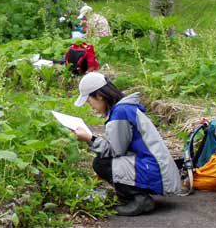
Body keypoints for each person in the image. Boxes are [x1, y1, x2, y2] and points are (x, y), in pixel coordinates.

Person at [71, 72, 181, 216]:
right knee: (105, 163)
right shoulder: (123, 108)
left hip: (155, 172)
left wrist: (90, 139)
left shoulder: (120, 113)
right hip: (156, 169)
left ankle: (140, 199)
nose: (90, 106)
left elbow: (114, 151)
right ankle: (132, 194)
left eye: (89, 101)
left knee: (102, 163)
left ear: (99, 96)